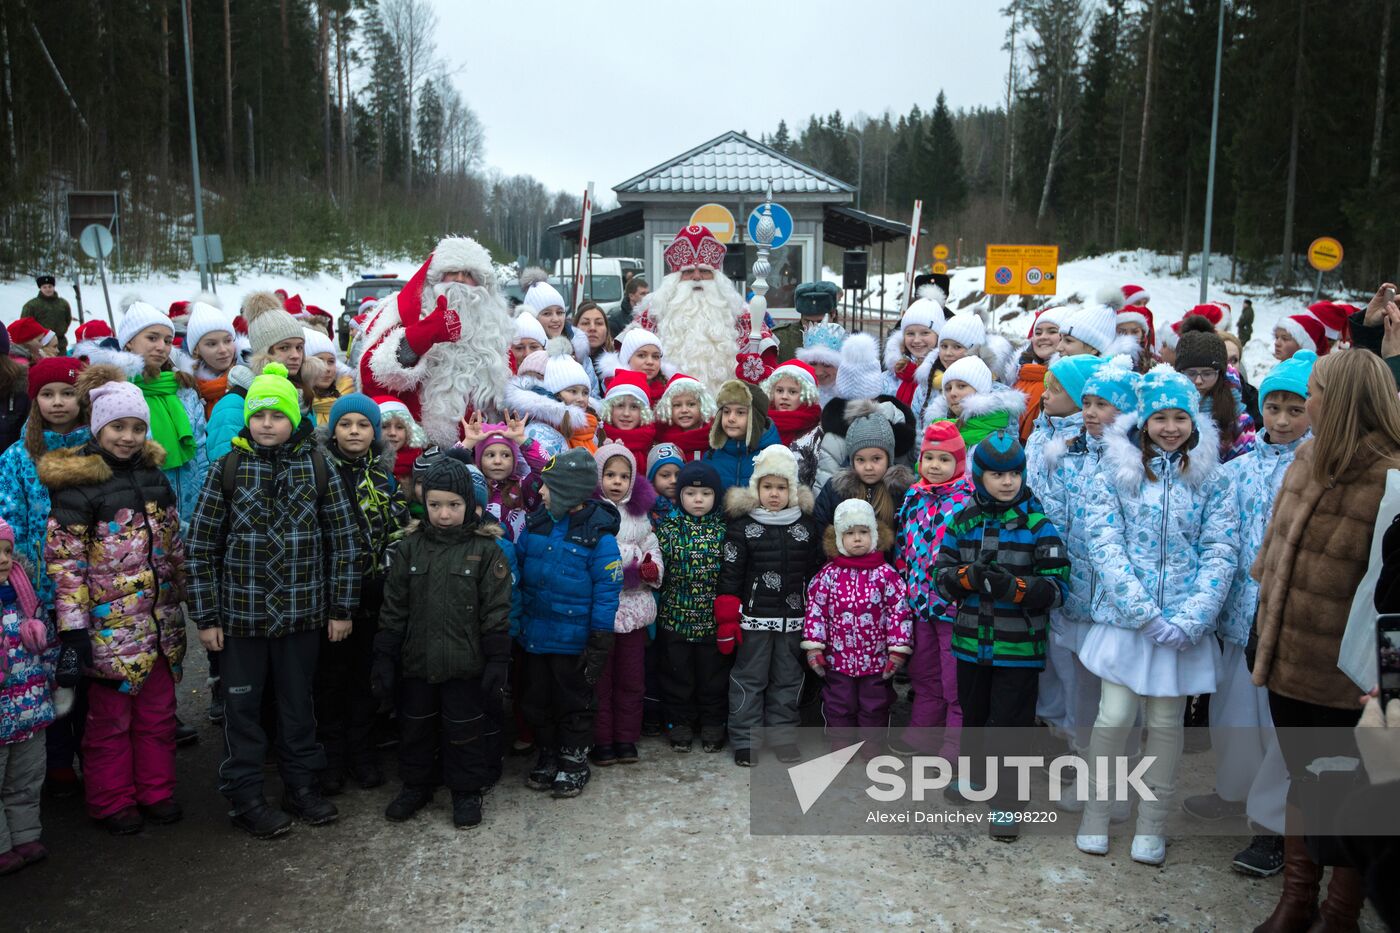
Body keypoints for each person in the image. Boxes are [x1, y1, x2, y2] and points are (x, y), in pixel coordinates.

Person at [1250, 349, 1400, 931]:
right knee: (1305, 778)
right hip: (1285, 657)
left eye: (1312, 390)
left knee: (1354, 794)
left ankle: (1340, 913)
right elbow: (1273, 553)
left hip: (1346, 675)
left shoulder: (1392, 476)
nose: (1304, 400)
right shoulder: (1308, 456)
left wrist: (1383, 680)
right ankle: (1296, 899)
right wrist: (1260, 630)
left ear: (1337, 400)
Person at [185, 362, 361, 839]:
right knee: (242, 712)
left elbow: (343, 541)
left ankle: (302, 787)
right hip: (240, 621)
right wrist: (206, 616)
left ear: (294, 417)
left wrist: (340, 608)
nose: (267, 424)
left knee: (298, 706)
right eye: (259, 415)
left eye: (277, 415)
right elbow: (200, 548)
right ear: (248, 418)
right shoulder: (228, 468)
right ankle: (245, 796)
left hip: (303, 617)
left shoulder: (316, 464)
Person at [1076, 366, 1236, 865]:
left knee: (1166, 723)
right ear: (1143, 421)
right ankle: (1098, 813)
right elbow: (1103, 542)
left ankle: (1151, 824)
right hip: (1129, 620)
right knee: (1116, 717)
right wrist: (1141, 611)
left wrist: (1190, 617)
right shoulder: (1116, 471)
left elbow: (1221, 547)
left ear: (1194, 421)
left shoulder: (1212, 475)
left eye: (1180, 417)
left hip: (1181, 624)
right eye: (1160, 417)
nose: (1170, 427)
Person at [1181, 350, 1315, 877]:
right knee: (1233, 715)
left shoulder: (1316, 469)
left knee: (1274, 728)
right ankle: (1234, 791)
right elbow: (1217, 538)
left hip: (1284, 623)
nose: (1281, 420)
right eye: (1274, 407)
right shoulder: (1236, 471)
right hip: (1237, 617)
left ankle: (1274, 825)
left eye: (1295, 409)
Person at [43, 378, 187, 835]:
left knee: (158, 715)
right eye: (117, 427)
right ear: (98, 427)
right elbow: (65, 563)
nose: (127, 437)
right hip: (108, 627)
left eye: (136, 428)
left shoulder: (155, 478)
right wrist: (72, 628)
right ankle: (110, 800)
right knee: (108, 723)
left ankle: (155, 790)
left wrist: (191, 593)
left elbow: (174, 543)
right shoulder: (78, 487)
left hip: (159, 621)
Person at [934, 430, 1068, 841]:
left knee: (1010, 725)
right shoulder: (963, 521)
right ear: (979, 475)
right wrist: (966, 578)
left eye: (1014, 473)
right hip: (971, 643)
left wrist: (1017, 589)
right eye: (996, 474)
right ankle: (976, 777)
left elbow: (1058, 587)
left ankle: (1008, 802)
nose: (1007, 481)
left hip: (1019, 649)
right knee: (974, 715)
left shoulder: (1037, 525)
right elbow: (940, 578)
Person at [371, 457, 512, 829]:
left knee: (464, 730)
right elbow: (395, 606)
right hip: (417, 660)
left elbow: (496, 610)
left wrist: (498, 660)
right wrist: (385, 656)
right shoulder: (409, 548)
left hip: (465, 662)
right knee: (415, 726)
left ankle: (466, 790)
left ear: (469, 506)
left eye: (453, 505)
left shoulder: (486, 552)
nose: (444, 514)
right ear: (424, 503)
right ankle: (416, 785)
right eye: (435, 505)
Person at [0, 358, 91, 794]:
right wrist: (25, 584)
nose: (58, 402)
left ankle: (97, 758)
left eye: (67, 393)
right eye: (47, 394)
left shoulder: (99, 446)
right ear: (34, 400)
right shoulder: (18, 458)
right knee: (54, 676)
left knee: (93, 673)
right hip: (42, 589)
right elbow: (10, 522)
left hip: (95, 581)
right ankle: (56, 762)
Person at [314, 394, 409, 795]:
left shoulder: (384, 476)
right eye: (346, 424)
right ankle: (331, 760)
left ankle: (362, 753)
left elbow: (398, 530)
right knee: (330, 681)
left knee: (365, 680)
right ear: (333, 430)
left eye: (363, 425)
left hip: (374, 593)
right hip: (331, 596)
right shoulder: (320, 472)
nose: (354, 431)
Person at [515, 448, 621, 799]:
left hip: (572, 640)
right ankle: (547, 754)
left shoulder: (600, 538)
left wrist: (599, 641)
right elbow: (518, 576)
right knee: (536, 701)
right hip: (535, 636)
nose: (540, 492)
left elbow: (607, 592)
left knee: (573, 704)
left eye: (546, 487)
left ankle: (573, 760)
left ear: (567, 492)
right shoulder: (536, 524)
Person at [717, 446, 823, 765]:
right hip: (753, 619)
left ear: (791, 489)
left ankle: (784, 736)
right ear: (756, 488)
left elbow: (815, 574)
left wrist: (817, 617)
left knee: (789, 678)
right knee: (749, 677)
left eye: (780, 487)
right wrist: (726, 616)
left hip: (793, 619)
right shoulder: (742, 526)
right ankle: (745, 739)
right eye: (767, 487)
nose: (774, 494)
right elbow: (731, 572)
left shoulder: (805, 526)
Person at [358, 236, 513, 446]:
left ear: (482, 282)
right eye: (451, 272)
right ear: (436, 277)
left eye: (468, 274)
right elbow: (372, 378)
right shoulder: (405, 313)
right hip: (417, 452)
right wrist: (420, 336)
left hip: (486, 455)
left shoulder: (496, 330)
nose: (459, 279)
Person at [892, 422, 973, 759]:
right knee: (923, 673)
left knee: (954, 678)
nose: (935, 466)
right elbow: (901, 546)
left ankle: (954, 744)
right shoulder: (914, 496)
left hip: (953, 607)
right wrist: (902, 584)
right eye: (929, 458)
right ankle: (923, 733)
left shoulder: (968, 501)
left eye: (944, 459)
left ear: (959, 463)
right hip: (919, 602)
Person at [804, 498, 911, 753]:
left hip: (875, 659)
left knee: (874, 703)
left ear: (874, 535)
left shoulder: (886, 575)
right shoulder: (828, 575)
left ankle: (870, 745)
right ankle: (841, 742)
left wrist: (898, 649)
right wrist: (814, 647)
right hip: (837, 658)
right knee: (839, 702)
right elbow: (815, 610)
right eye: (850, 533)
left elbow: (899, 611)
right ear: (839, 539)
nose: (857, 539)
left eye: (863, 532)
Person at [629, 225, 772, 395]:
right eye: (688, 271)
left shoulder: (743, 316)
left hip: (728, 414)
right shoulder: (652, 315)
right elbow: (625, 363)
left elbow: (769, 364)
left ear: (717, 277)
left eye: (704, 271)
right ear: (675, 278)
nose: (696, 277)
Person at [104, 300, 210, 525]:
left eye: (168, 340)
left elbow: (200, 448)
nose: (161, 346)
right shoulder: (116, 390)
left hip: (190, 504)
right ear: (130, 342)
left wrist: (206, 499)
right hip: (138, 512)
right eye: (152, 338)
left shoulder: (182, 388)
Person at [589, 444, 660, 767]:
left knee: (631, 679)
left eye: (624, 476)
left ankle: (626, 738)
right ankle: (602, 739)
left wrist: (652, 569)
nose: (617, 482)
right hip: (600, 612)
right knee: (600, 680)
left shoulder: (640, 514)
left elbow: (652, 549)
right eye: (609, 475)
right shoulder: (588, 512)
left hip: (633, 610)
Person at [655, 462, 729, 757]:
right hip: (676, 619)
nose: (698, 500)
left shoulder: (724, 530)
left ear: (716, 496)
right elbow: (658, 569)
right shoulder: (669, 530)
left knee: (713, 676)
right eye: (690, 493)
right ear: (680, 496)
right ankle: (680, 722)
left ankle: (712, 721)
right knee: (677, 675)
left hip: (712, 622)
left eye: (706, 493)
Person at [0, 517, 58, 873]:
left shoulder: (25, 598)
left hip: (30, 709)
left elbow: (46, 643)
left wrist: (52, 680)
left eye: (6, 551)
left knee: (26, 778)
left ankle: (24, 835)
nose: (4, 559)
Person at [813, 334, 918, 491]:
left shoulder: (835, 427)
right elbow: (903, 470)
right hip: (889, 505)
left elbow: (825, 478)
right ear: (875, 381)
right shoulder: (894, 414)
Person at [813, 402, 916, 538]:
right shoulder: (835, 490)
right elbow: (820, 526)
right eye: (861, 460)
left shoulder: (900, 492)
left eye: (876, 459)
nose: (868, 467)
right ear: (851, 460)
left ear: (889, 458)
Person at [1174, 316, 1255, 462]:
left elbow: (1244, 466)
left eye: (1207, 373)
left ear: (1221, 374)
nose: (1198, 381)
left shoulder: (1239, 420)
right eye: (1191, 373)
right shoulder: (1166, 408)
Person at [459, 414, 548, 543]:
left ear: (514, 460)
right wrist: (468, 443)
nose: (498, 461)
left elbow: (546, 470)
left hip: (515, 559)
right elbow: (443, 473)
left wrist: (521, 439)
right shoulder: (470, 485)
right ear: (479, 459)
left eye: (506, 455)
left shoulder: (523, 487)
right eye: (490, 455)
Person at [920, 356, 1027, 450]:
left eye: (961, 386)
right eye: (948, 388)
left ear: (980, 390)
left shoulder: (998, 435)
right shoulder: (936, 428)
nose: (952, 393)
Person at [705, 379, 780, 490]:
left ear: (755, 419)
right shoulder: (711, 457)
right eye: (726, 412)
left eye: (740, 412)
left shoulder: (775, 457)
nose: (731, 419)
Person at [882, 290, 947, 415]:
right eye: (910, 333)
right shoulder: (889, 377)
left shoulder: (946, 376)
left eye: (925, 333)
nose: (917, 340)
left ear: (938, 335)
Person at [1010, 309, 1067, 441]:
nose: (1042, 337)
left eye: (1052, 331)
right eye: (1038, 332)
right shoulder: (1017, 375)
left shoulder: (1068, 381)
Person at [184, 302, 240, 419]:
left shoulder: (249, 379)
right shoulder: (187, 389)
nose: (223, 350)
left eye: (228, 341)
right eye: (212, 344)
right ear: (196, 350)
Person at [653, 373, 718, 463]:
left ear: (702, 406)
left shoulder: (716, 437)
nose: (684, 410)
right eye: (677, 405)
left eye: (691, 404)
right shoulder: (662, 443)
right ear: (668, 409)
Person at [599, 370, 658, 467]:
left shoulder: (652, 446)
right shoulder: (597, 439)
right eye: (620, 405)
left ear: (643, 413)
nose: (626, 413)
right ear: (609, 409)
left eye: (634, 407)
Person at [775, 281, 839, 363]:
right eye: (808, 321)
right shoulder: (780, 338)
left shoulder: (844, 341)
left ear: (833, 314)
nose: (814, 326)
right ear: (801, 316)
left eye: (820, 322)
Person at [797, 321, 846, 410]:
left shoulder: (850, 398)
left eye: (827, 365)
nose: (818, 372)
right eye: (812, 363)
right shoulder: (792, 392)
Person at [21, 275, 72, 354]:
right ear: (40, 288)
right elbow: (24, 324)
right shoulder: (31, 305)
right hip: (41, 346)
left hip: (60, 344)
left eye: (50, 286)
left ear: (53, 287)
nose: (48, 289)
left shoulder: (63, 303)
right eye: (44, 287)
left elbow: (68, 319)